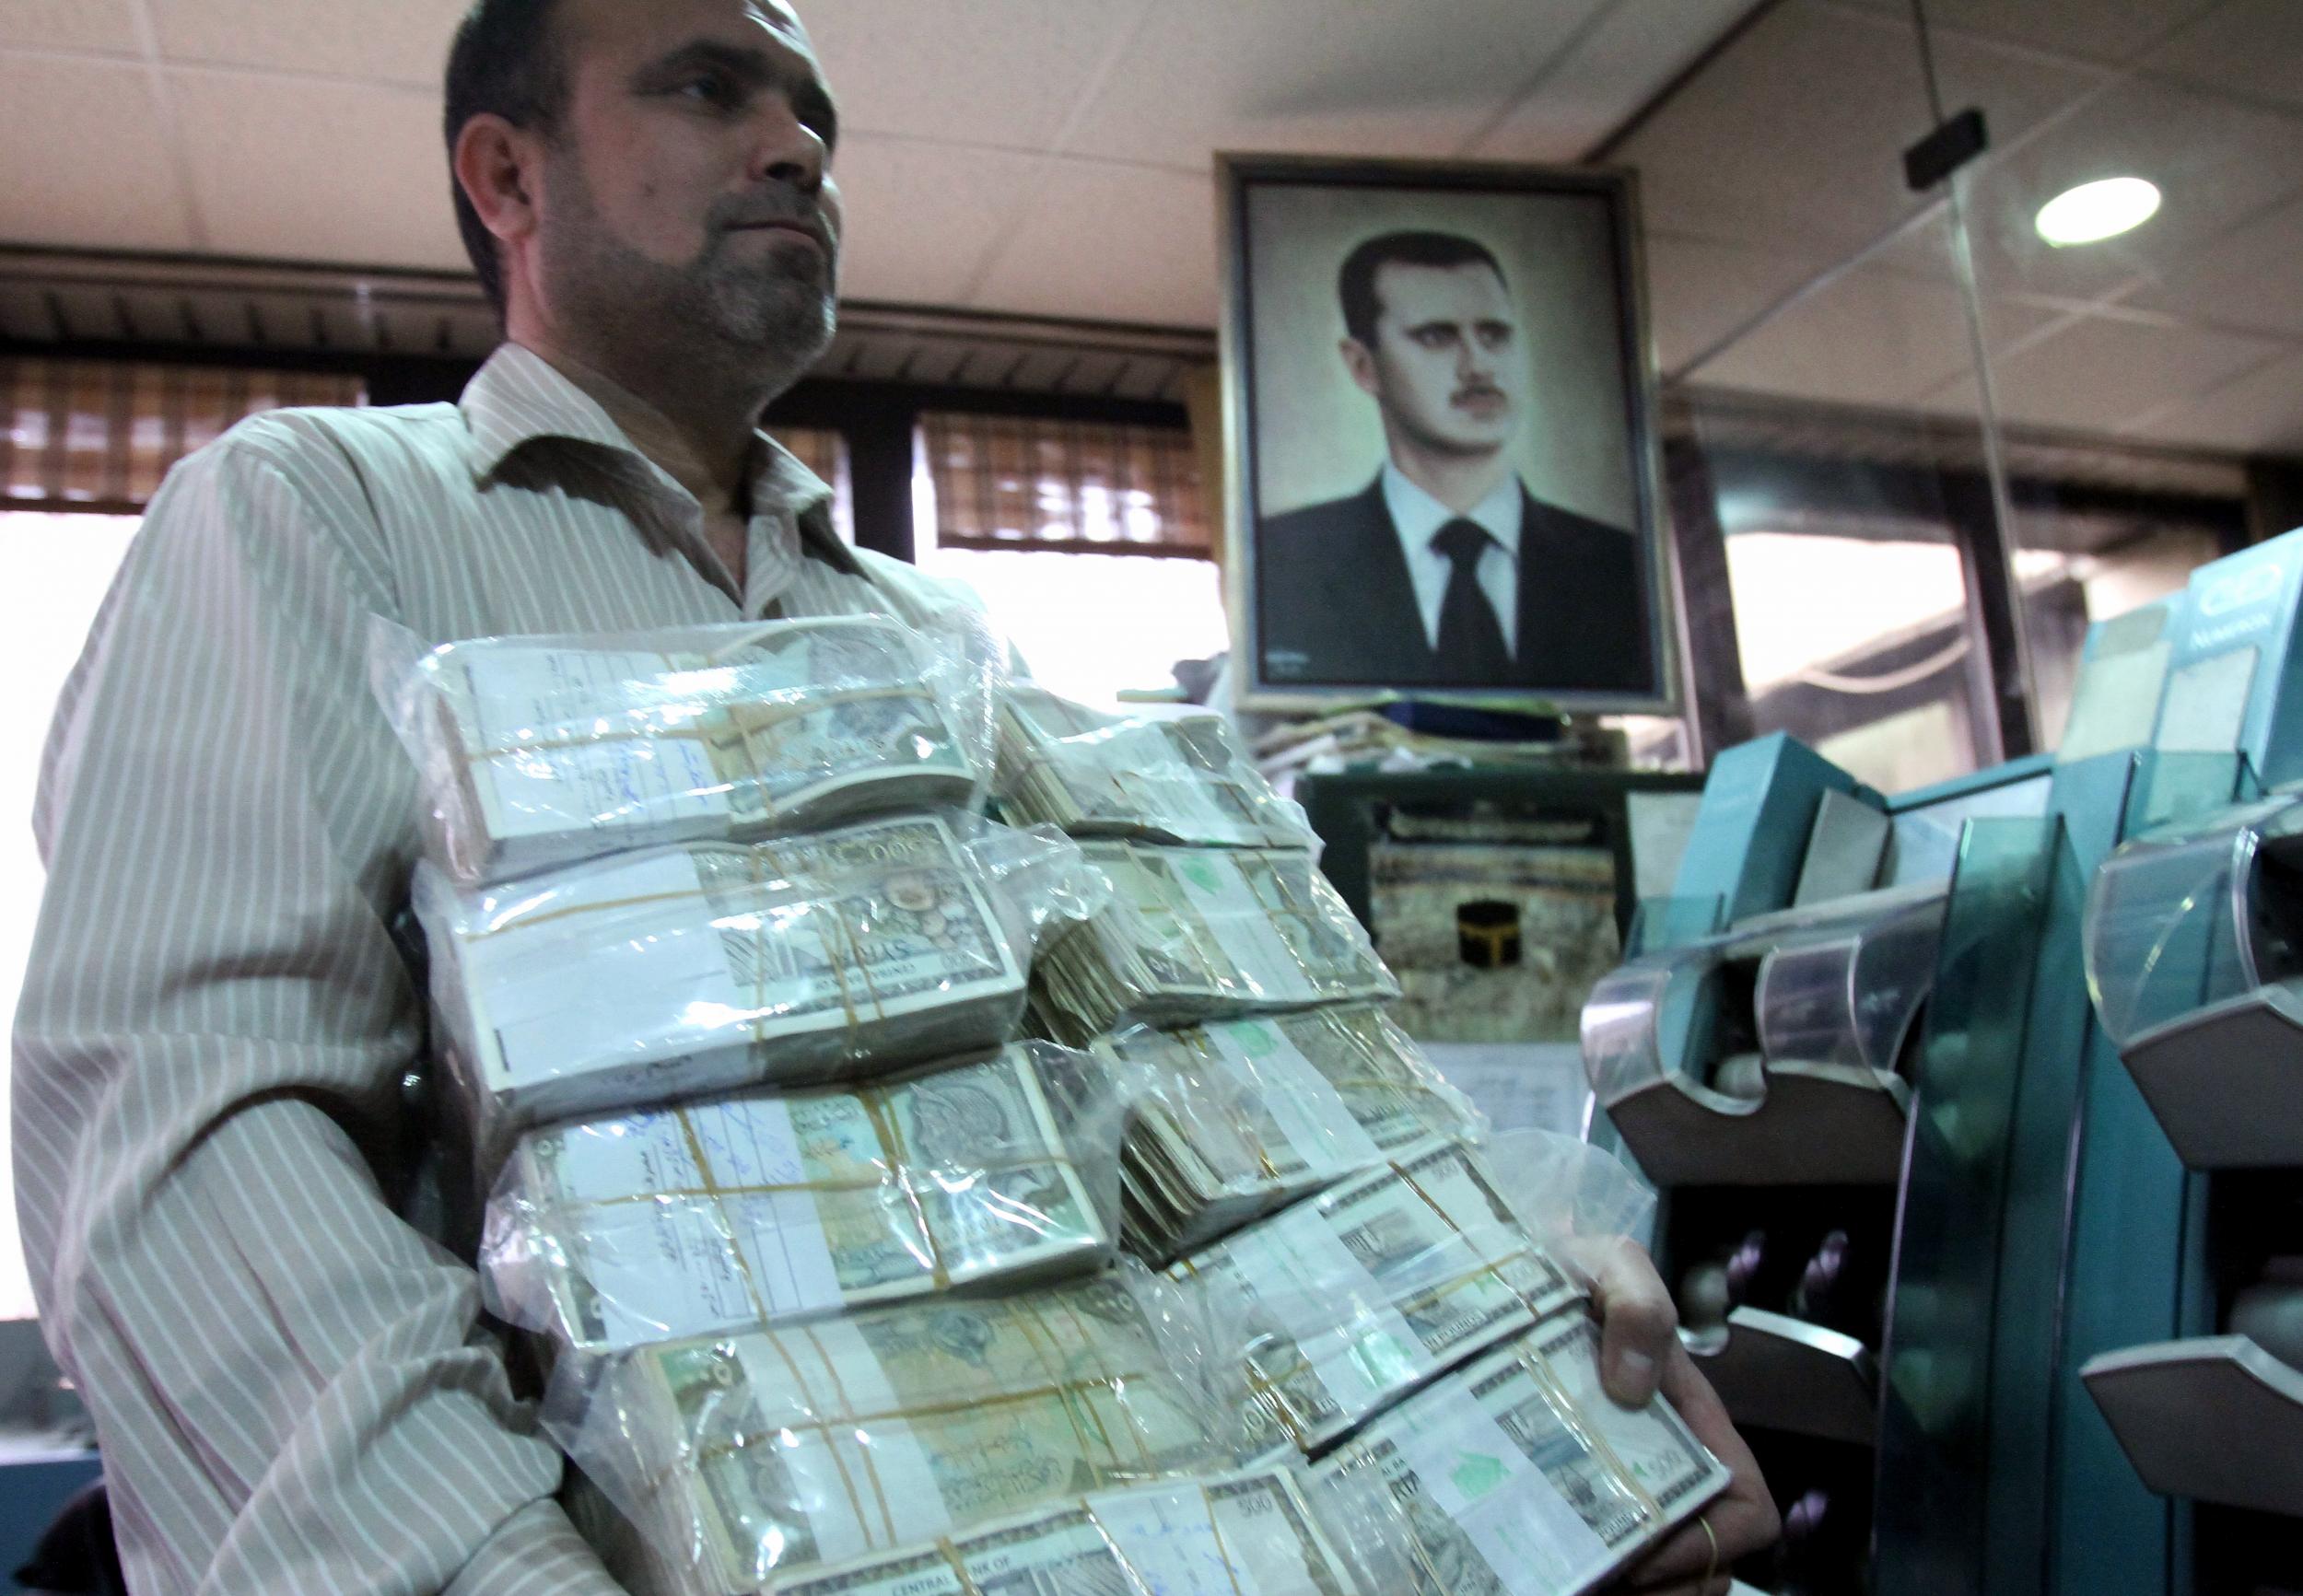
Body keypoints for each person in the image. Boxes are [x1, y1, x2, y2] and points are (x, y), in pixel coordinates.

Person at [9, 3, 1774, 1592]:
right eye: (709, 86)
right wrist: (493, 1571)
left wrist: (1491, 1304)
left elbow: (1180, 1098)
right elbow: (176, 1131)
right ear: (505, 172)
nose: (795, 148)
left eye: (814, 116)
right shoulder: (316, 516)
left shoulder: (945, 644)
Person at [1257, 228, 1657, 695]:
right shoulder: (1284, 559)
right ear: (1363, 365)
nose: (1478, 365)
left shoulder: (1618, 566)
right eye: (1436, 337)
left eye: (1495, 335)